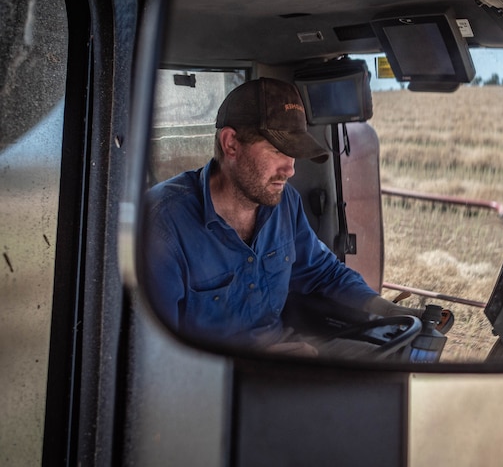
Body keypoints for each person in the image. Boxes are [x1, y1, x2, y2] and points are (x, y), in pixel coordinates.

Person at [144, 76, 413, 356]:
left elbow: (323, 271)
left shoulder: (285, 203)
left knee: (394, 360)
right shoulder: (162, 225)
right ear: (231, 144)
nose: (291, 169)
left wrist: (384, 308)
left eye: (294, 154)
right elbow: (152, 353)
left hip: (287, 348)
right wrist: (259, 366)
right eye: (277, 150)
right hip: (212, 379)